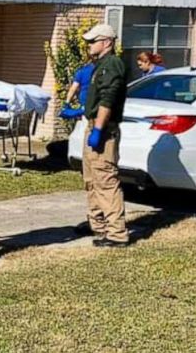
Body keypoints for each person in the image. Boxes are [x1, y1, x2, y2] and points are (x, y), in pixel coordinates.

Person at [80, 24, 130, 247]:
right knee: (91, 179)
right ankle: (97, 222)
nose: (89, 45)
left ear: (107, 42)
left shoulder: (112, 64)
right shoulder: (98, 66)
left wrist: (99, 129)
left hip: (104, 129)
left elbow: (107, 100)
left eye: (93, 41)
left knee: (106, 179)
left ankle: (116, 233)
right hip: (92, 124)